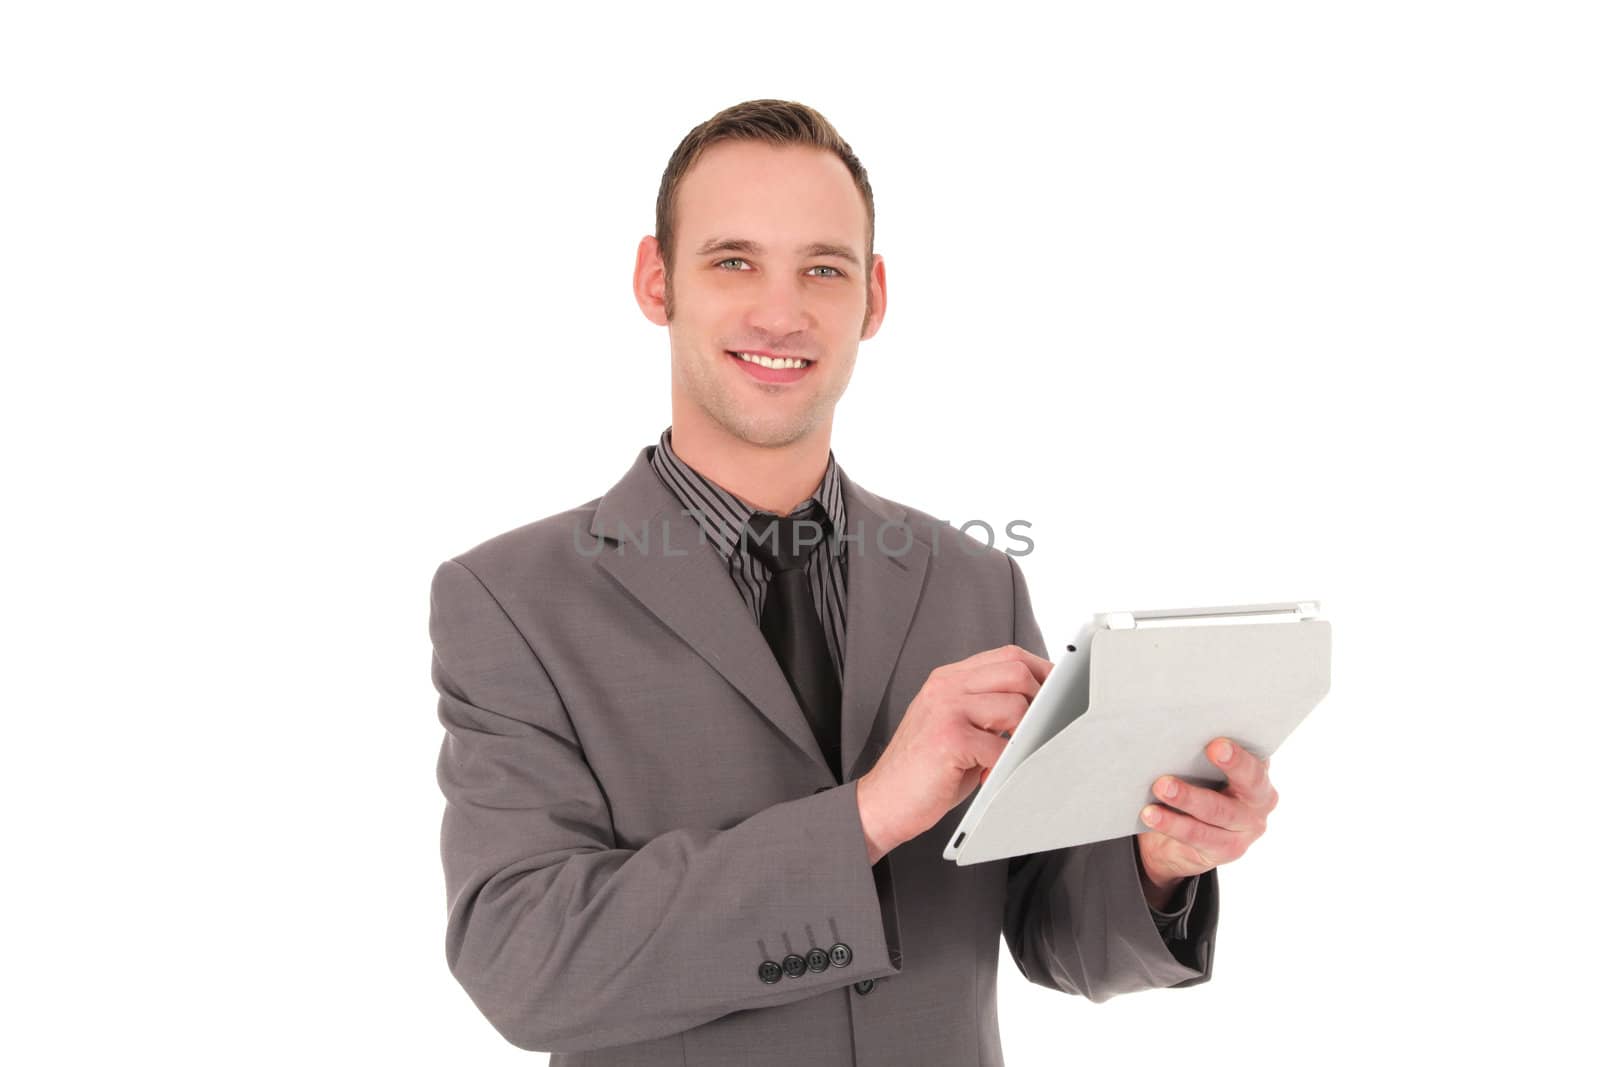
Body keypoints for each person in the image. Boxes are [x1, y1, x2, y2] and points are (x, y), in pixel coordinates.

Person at [429, 99, 1279, 1066]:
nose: (782, 313)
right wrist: (870, 813)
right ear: (656, 280)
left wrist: (1160, 860)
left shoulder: (974, 584)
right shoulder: (512, 600)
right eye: (733, 260)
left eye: (822, 269)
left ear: (873, 298)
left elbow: (1055, 933)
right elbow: (526, 964)